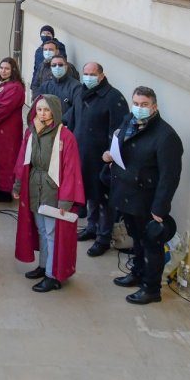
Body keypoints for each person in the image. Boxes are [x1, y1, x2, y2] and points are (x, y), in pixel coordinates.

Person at [106, 86, 183, 305]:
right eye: (136, 104)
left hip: (147, 200)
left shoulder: (166, 136)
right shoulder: (129, 122)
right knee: (136, 240)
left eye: (144, 105)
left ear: (154, 107)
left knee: (151, 245)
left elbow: (170, 176)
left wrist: (160, 208)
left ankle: (151, 288)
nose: (139, 108)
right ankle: (137, 272)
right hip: (128, 195)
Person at [15, 95, 85, 292]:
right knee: (41, 230)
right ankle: (44, 264)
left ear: (55, 111)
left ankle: (52, 275)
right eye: (39, 110)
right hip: (35, 186)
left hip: (53, 189)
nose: (42, 114)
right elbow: (23, 160)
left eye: (46, 110)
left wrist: (66, 200)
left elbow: (71, 169)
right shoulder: (31, 132)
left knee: (52, 232)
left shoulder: (65, 136)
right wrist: (18, 185)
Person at [73, 61, 129, 257]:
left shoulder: (113, 98)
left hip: (103, 159)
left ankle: (103, 237)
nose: (88, 77)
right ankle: (92, 226)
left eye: (92, 74)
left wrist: (110, 155)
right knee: (90, 194)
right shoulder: (81, 93)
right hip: (83, 154)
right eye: (86, 74)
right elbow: (75, 120)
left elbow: (119, 131)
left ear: (101, 76)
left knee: (104, 198)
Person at [0, 57, 26, 202]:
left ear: (13, 70)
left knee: (6, 159)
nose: (3, 71)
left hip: (7, 129)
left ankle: (6, 190)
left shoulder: (15, 87)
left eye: (7, 68)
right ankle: (0, 186)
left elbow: (2, 107)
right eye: (1, 68)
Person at [39, 53, 84, 128]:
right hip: (47, 126)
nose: (57, 67)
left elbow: (76, 108)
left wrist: (61, 122)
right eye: (54, 65)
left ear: (66, 67)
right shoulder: (45, 86)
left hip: (67, 127)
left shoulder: (76, 86)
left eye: (60, 65)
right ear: (51, 68)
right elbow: (39, 105)